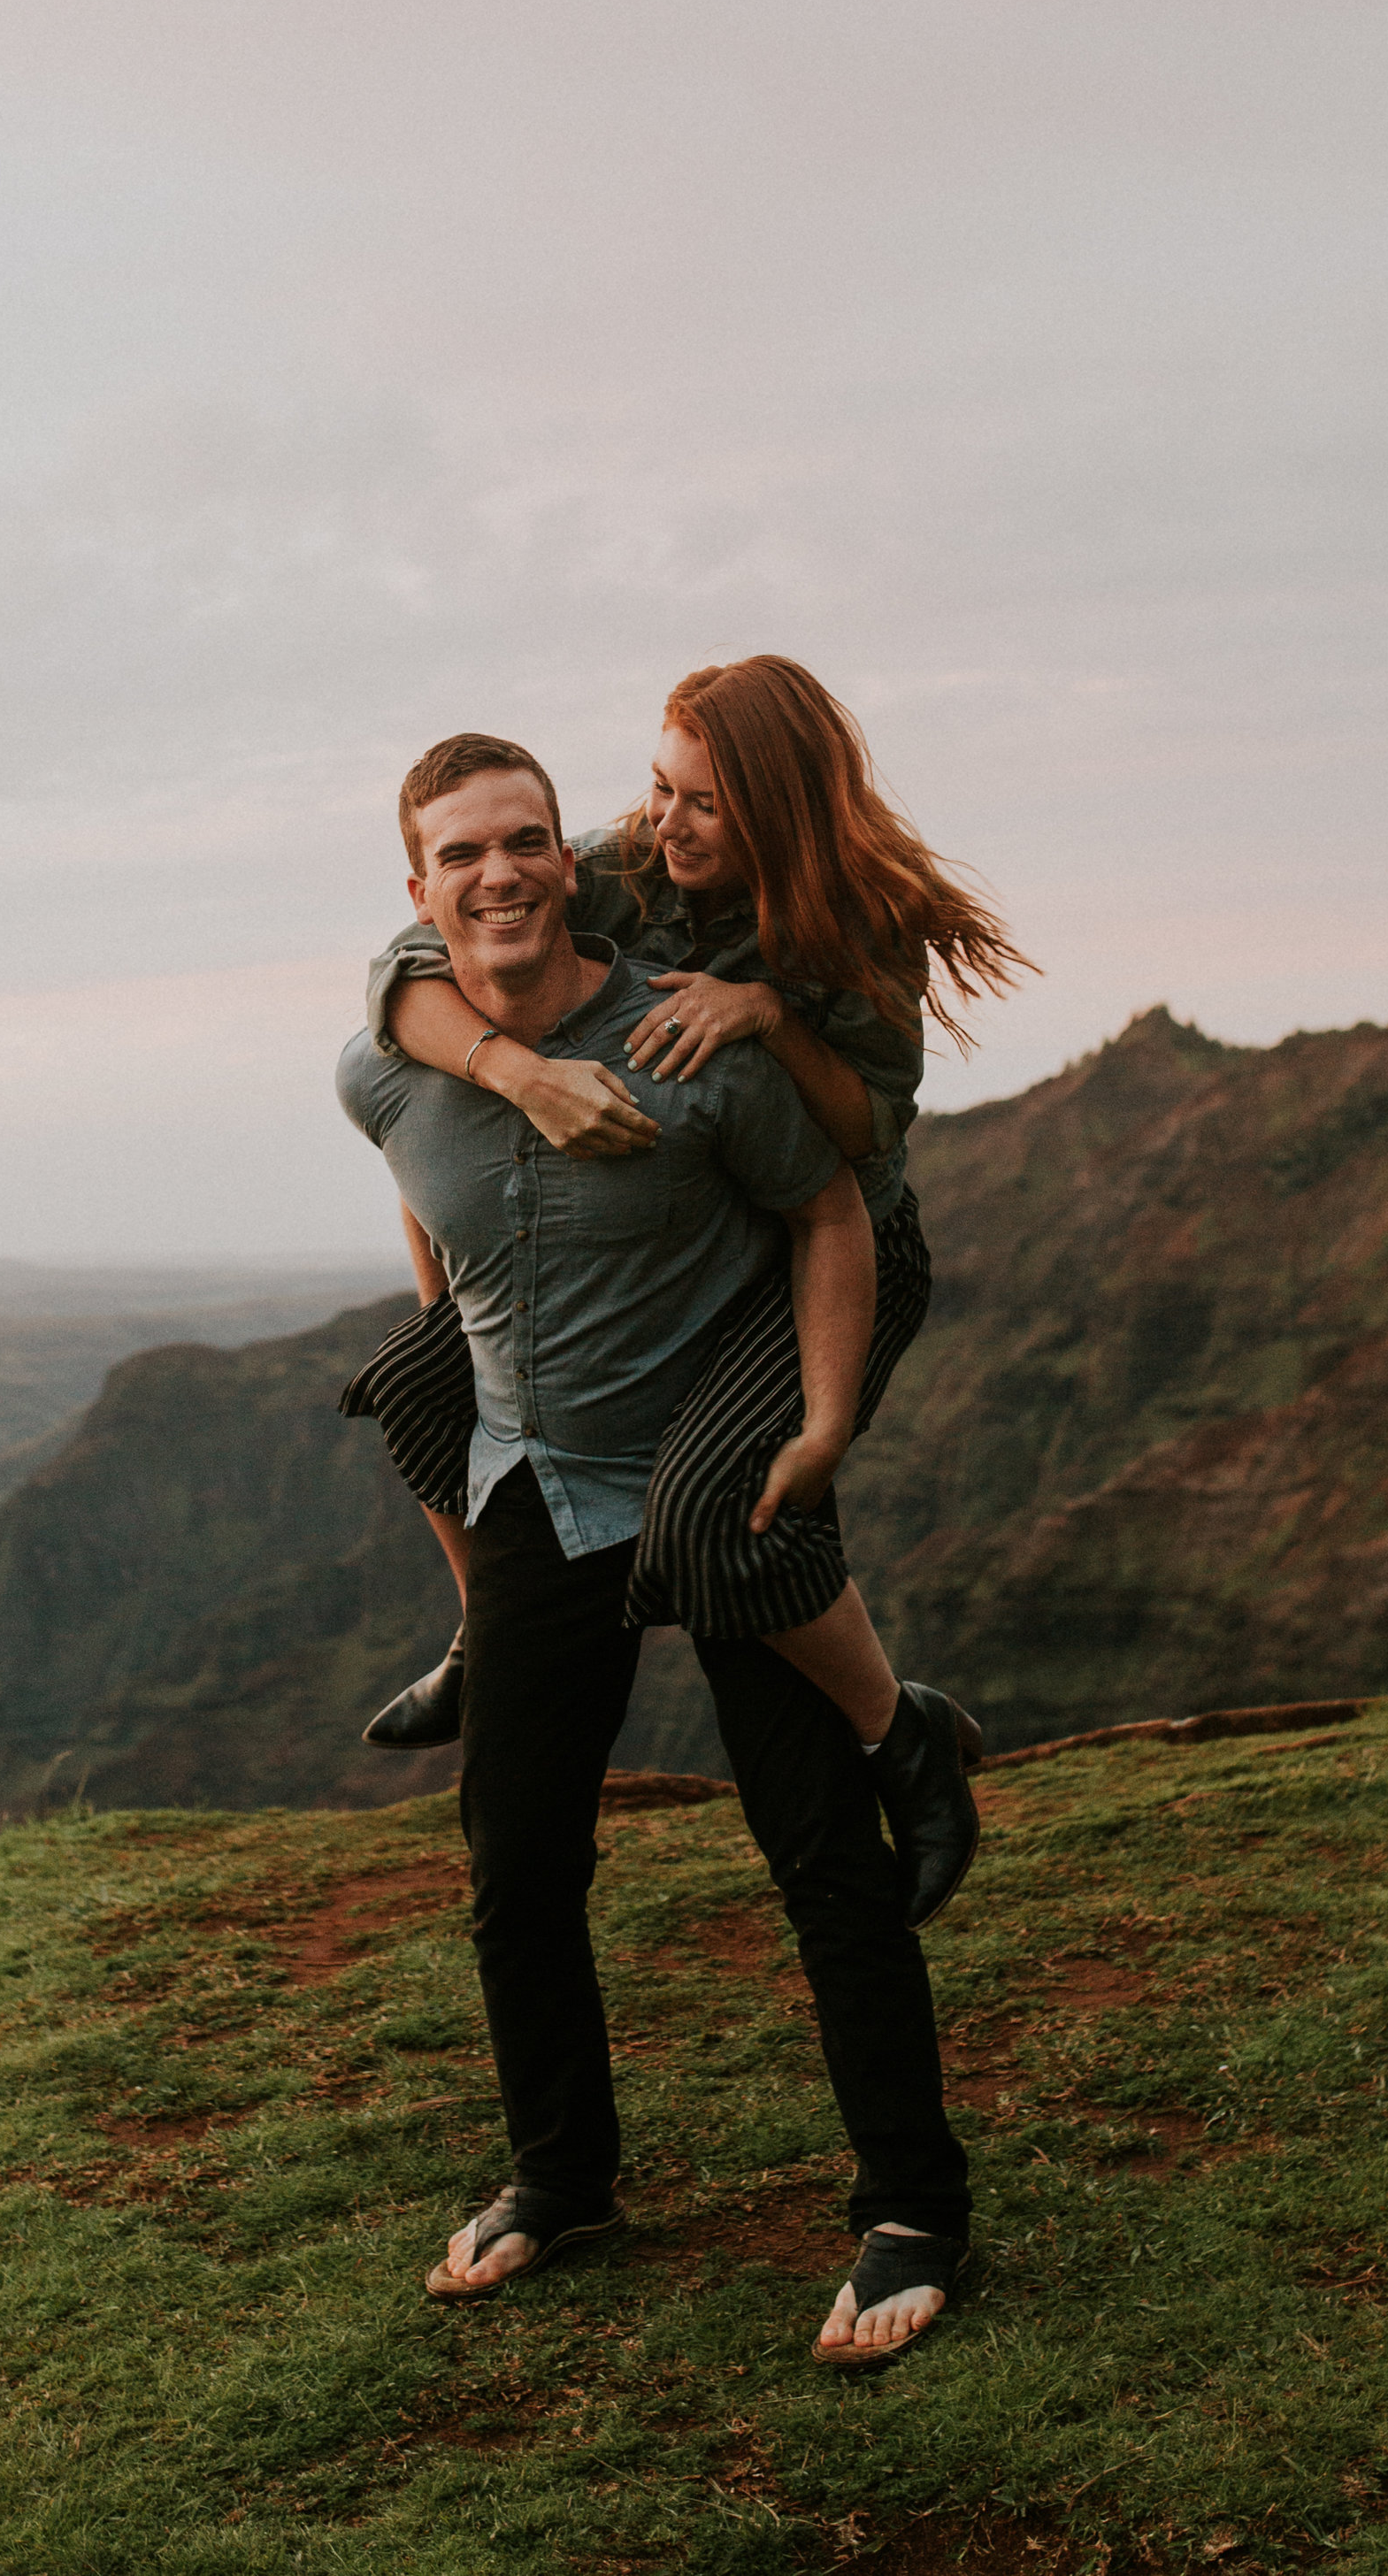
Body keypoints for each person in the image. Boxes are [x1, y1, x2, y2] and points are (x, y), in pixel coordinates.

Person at [336, 731, 975, 2363]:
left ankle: (914, 2206)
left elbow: (835, 1205)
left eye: (523, 843)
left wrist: (816, 1428)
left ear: (570, 861)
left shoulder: (695, 1044)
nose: (497, 875)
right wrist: (456, 1337)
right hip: (532, 1491)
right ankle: (562, 2176)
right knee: (518, 1864)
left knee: (822, 1855)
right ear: (418, 889)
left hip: (715, 1480)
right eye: (461, 854)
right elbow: (421, 1181)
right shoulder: (389, 1064)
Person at [344, 656, 1029, 1927]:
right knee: (415, 1385)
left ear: (781, 809)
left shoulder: (862, 917)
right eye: (661, 787)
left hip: (835, 1246)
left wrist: (768, 1011)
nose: (668, 821)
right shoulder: (628, 860)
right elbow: (404, 974)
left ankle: (899, 1733)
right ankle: (484, 1634)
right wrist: (514, 1072)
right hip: (710, 1228)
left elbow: (863, 1135)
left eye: (705, 802)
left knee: (716, 1508)